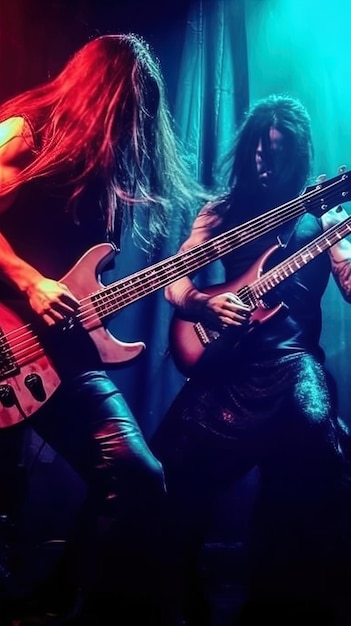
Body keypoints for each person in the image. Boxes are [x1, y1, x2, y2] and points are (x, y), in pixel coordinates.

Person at [0, 33, 207, 625]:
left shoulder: (105, 175)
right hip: (5, 336)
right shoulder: (25, 133)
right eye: (127, 107)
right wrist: (31, 282)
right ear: (100, 94)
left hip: (62, 356)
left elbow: (79, 273)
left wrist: (93, 308)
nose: (135, 125)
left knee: (139, 477)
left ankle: (64, 600)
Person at [151, 94, 351, 625]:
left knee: (317, 458)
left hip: (292, 363)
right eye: (259, 150)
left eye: (279, 153)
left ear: (300, 156)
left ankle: (288, 608)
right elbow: (173, 281)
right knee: (166, 475)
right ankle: (176, 601)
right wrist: (202, 304)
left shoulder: (327, 213)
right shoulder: (221, 210)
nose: (266, 162)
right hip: (228, 366)